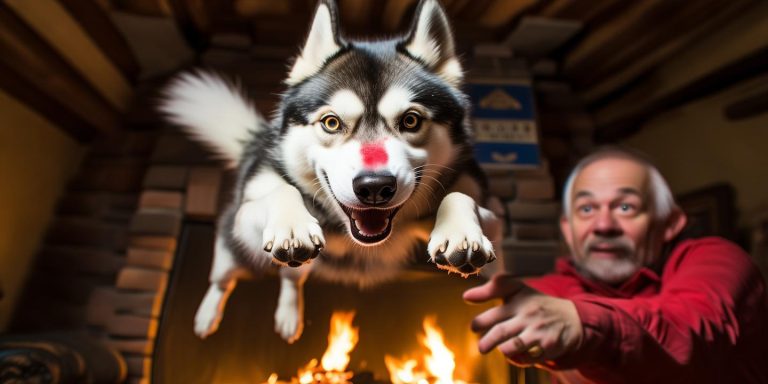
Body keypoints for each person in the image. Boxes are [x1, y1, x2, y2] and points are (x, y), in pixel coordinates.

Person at [464, 147, 768, 383]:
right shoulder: (550, 293)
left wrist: (584, 324)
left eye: (625, 207)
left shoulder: (717, 260)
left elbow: (695, 331)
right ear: (568, 230)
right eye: (587, 209)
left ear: (671, 223)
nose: (604, 225)